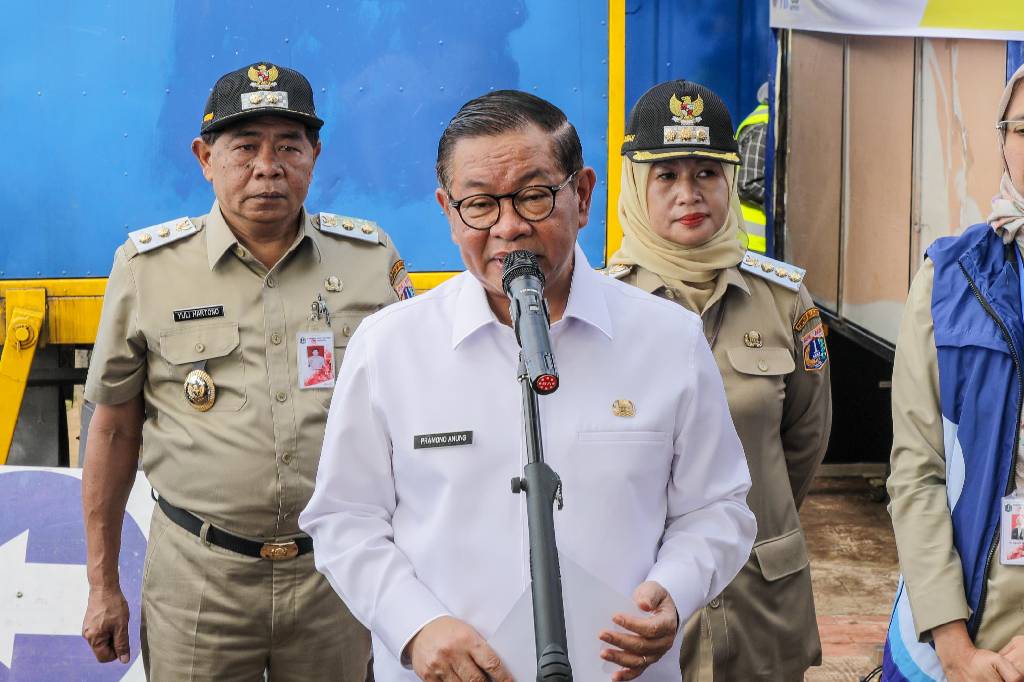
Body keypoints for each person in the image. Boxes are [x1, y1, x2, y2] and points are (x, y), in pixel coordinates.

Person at [300, 89, 756, 681]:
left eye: (535, 197)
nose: (509, 227)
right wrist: (414, 626)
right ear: (446, 208)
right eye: (480, 205)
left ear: (583, 195)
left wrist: (674, 589)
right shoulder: (390, 347)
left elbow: (718, 507)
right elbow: (344, 517)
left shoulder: (667, 339)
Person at [80, 62, 412, 680]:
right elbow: (113, 429)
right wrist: (102, 584)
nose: (268, 166)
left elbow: (412, 417)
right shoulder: (147, 268)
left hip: (335, 573)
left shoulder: (371, 259)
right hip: (200, 578)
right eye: (244, 147)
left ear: (315, 153)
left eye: (289, 145)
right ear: (205, 157)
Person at [606, 79, 832, 681]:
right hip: (639, 606)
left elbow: (803, 443)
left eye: (707, 172)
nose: (689, 193)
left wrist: (754, 517)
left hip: (760, 595)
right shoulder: (600, 307)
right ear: (636, 184)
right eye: (667, 175)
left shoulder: (783, 297)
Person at [882, 64, 1024, 682]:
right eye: (1023, 127)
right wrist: (952, 644)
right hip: (965, 623)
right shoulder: (951, 279)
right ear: (1002, 140)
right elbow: (917, 468)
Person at [735, 82, 770, 253]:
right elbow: (748, 182)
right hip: (755, 244)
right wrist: (787, 204)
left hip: (761, 243)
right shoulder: (765, 124)